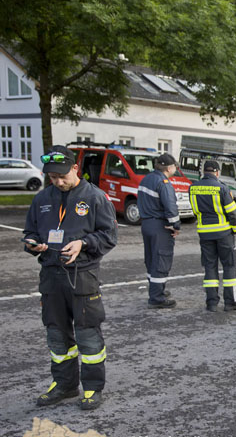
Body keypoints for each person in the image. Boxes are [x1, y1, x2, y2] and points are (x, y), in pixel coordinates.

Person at [23, 146, 118, 410]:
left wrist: (83, 243)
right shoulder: (42, 199)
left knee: (88, 335)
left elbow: (109, 236)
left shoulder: (95, 197)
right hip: (51, 276)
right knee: (56, 336)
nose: (58, 181)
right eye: (52, 177)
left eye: (62, 175)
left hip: (82, 276)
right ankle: (64, 385)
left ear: (75, 168)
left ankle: (92, 388)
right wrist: (32, 243)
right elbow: (30, 232)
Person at [189, 160, 236, 313]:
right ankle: (231, 302)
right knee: (229, 266)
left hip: (204, 233)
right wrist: (235, 228)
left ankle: (211, 303)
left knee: (209, 266)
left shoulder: (193, 188)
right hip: (223, 233)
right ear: (217, 172)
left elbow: (194, 210)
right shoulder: (222, 188)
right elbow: (232, 211)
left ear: (203, 172)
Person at [138, 153, 180, 308]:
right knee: (161, 260)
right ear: (169, 168)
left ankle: (156, 289)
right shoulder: (163, 183)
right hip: (160, 226)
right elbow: (170, 206)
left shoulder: (146, 179)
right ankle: (157, 298)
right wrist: (175, 226)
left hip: (146, 224)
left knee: (151, 259)